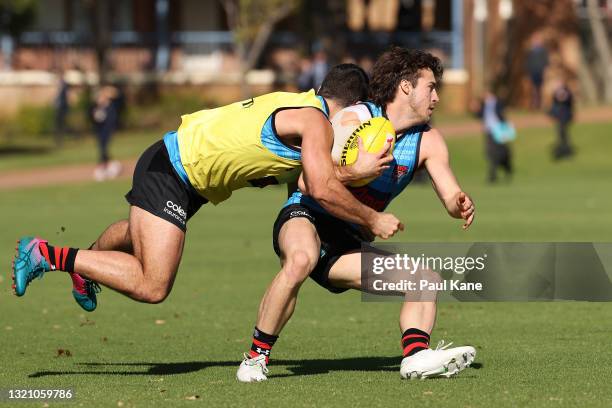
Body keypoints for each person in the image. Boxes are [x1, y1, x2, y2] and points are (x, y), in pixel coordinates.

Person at [12, 64, 402, 314]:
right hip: (173, 171)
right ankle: (47, 254)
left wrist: (350, 171)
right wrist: (373, 219)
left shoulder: (299, 104)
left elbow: (307, 180)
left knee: (138, 236)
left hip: (179, 168)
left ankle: (89, 265)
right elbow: (318, 187)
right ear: (352, 106)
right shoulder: (317, 123)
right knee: (153, 284)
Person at [236, 47, 476, 382]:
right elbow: (307, 182)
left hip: (344, 244)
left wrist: (459, 203)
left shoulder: (429, 141)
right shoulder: (354, 119)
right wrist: (355, 169)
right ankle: (254, 359)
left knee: (425, 280)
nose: (436, 96)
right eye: (430, 87)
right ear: (406, 87)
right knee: (301, 258)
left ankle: (416, 357)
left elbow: (450, 193)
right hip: (306, 216)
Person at [473, 90, 513, 183]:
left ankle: (506, 170)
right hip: (489, 132)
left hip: (499, 131)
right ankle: (493, 175)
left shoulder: (498, 103)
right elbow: (480, 116)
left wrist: (506, 129)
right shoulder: (484, 105)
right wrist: (475, 110)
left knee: (501, 153)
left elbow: (503, 115)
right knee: (489, 153)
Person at [91, 85, 122, 181]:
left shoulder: (110, 105)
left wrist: (108, 91)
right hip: (100, 130)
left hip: (107, 129)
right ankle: (105, 165)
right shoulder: (98, 106)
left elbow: (117, 95)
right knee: (102, 147)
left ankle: (106, 166)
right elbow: (95, 117)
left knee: (104, 147)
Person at [548, 78, 574, 160]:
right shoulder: (556, 92)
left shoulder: (567, 91)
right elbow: (554, 104)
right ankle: (561, 150)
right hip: (559, 117)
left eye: (558, 83)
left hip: (565, 116)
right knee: (560, 134)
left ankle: (566, 152)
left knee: (564, 134)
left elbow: (568, 101)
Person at [525, 33, 549, 110]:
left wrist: (544, 69)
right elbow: (527, 62)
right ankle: (534, 104)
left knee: (540, 88)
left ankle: (540, 104)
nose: (536, 42)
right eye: (534, 40)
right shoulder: (530, 51)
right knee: (533, 88)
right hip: (533, 71)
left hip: (540, 71)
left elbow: (546, 61)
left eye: (537, 40)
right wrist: (528, 70)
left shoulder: (543, 51)